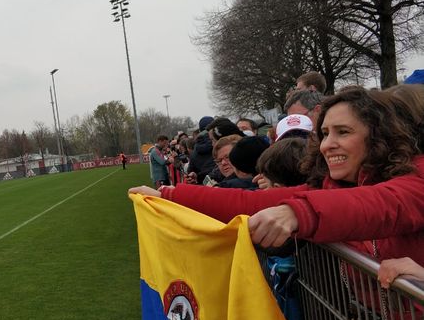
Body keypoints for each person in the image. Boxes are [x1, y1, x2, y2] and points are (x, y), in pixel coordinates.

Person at [129, 86, 424, 264]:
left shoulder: (415, 180)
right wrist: (169, 195)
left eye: (343, 132)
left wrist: (298, 212)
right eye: (323, 133)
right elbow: (249, 204)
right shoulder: (333, 186)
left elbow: (381, 203)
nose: (327, 144)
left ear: (380, 135)